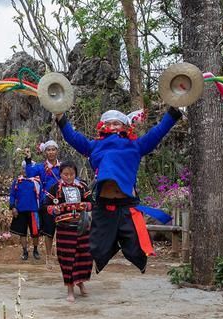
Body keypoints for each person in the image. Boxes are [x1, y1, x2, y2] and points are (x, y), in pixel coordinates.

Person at [55, 107, 183, 274]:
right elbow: (72, 137)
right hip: (103, 205)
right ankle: (111, 244)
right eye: (109, 123)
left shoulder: (135, 145)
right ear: (102, 126)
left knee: (136, 248)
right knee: (97, 248)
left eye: (117, 123)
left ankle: (123, 244)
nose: (113, 127)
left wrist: (173, 112)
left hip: (127, 205)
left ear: (125, 127)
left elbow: (157, 133)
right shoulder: (94, 146)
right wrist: (60, 116)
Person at [44, 162, 92, 303]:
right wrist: (55, 209)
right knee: (68, 258)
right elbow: (46, 205)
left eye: (72, 174)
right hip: (65, 229)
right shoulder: (55, 188)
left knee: (84, 256)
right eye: (65, 174)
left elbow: (92, 203)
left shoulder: (82, 187)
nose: (69, 177)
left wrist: (82, 206)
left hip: (82, 227)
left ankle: (80, 282)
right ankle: (70, 289)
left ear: (75, 174)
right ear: (60, 174)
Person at [24, 140, 61, 268]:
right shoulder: (41, 167)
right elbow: (29, 174)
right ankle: (48, 257)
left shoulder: (63, 167)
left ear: (57, 151)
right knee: (49, 230)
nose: (51, 152)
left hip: (62, 200)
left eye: (53, 149)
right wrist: (28, 159)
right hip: (47, 202)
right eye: (48, 150)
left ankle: (62, 255)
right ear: (45, 152)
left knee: (63, 228)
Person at [9, 161, 41, 261]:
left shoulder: (37, 182)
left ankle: (35, 250)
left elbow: (41, 195)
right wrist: (13, 206)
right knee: (22, 233)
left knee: (35, 233)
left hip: (33, 210)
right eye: (24, 168)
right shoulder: (18, 181)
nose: (26, 170)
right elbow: (12, 195)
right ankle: (25, 251)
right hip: (20, 210)